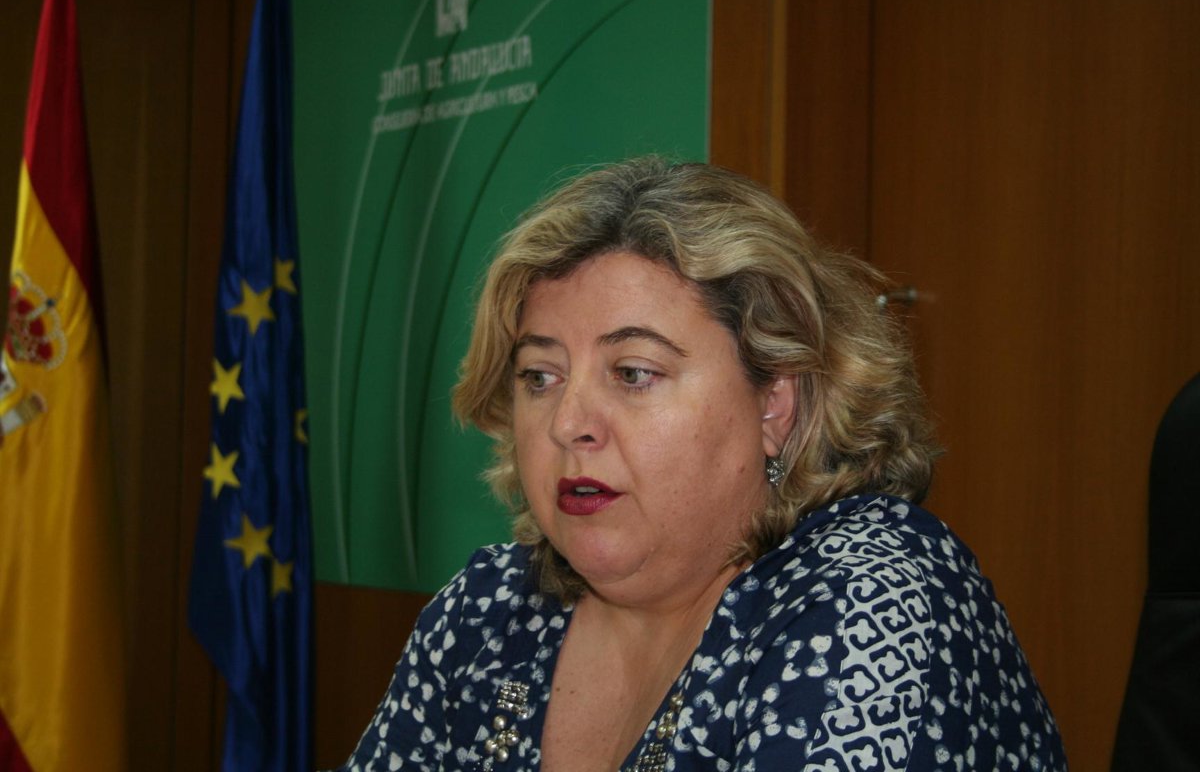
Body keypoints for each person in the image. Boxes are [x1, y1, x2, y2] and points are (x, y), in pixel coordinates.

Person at [336, 158, 1067, 771]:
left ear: (774, 402)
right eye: (539, 377)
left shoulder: (871, 590)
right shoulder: (487, 612)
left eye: (633, 373)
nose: (566, 424)